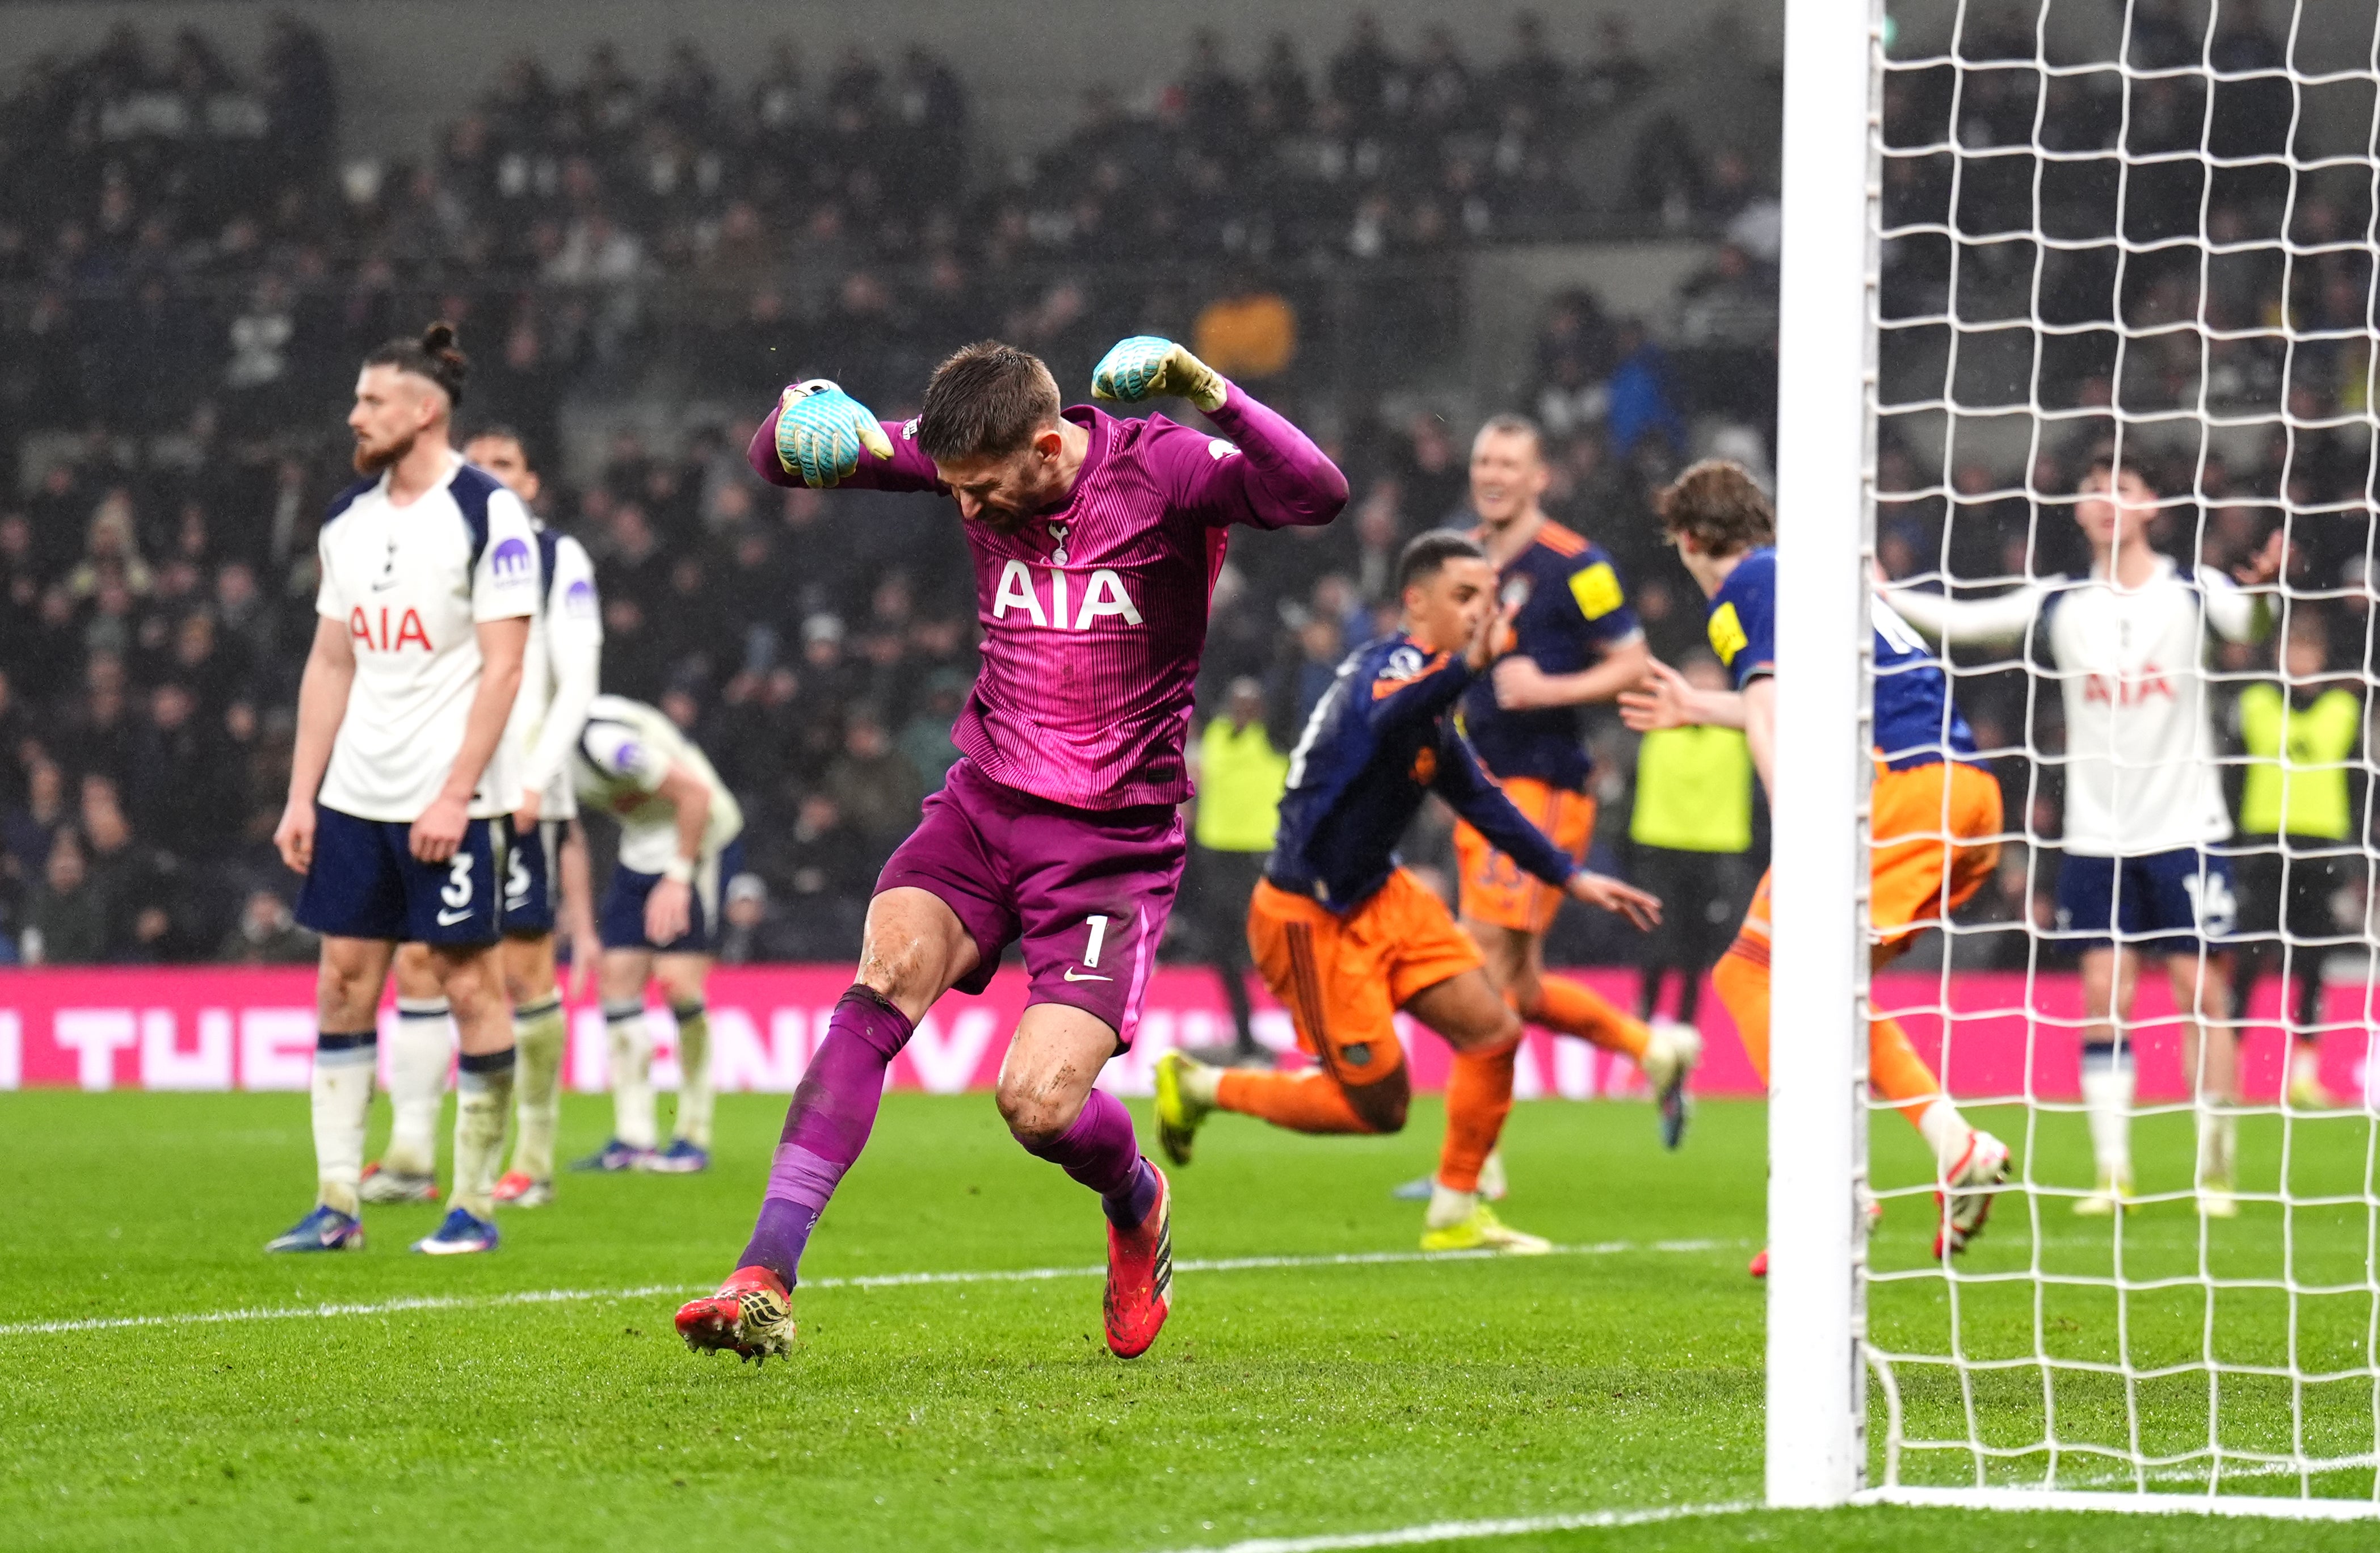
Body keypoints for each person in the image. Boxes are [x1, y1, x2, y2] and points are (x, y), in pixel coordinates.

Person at [674, 335, 1347, 1365]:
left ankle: (1135, 1199)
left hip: (1109, 845)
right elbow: (783, 457)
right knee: (882, 979)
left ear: (1046, 446)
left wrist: (1204, 387)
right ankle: (763, 1273)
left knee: (1036, 1108)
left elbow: (1317, 492)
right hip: (983, 806)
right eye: (952, 492)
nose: (968, 511)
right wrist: (797, 414)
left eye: (984, 490)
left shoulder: (1161, 469)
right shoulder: (971, 459)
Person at [1153, 534, 1662, 1252]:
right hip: (1310, 916)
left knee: (1493, 1032)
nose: (1483, 609)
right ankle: (1202, 1087)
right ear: (1415, 602)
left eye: (1488, 595)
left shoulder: (1432, 701)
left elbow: (1481, 799)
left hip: (1383, 896)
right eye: (1465, 596)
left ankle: (1455, 1212)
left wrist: (1570, 876)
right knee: (1380, 1108)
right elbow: (1388, 716)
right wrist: (1468, 666)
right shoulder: (1386, 669)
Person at [1623, 459, 2012, 1276]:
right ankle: (1952, 1146)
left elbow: (1770, 711)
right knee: (1800, 984)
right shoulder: (1809, 576)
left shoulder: (1744, 588)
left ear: (1691, 540)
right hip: (1964, 800)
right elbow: (1806, 700)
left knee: (1762, 978)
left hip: (1900, 796)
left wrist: (1794, 820)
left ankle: (1825, 1193)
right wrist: (1698, 707)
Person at [1882, 455, 2280, 1215]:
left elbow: (2249, 623)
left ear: (2150, 506)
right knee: (2103, 994)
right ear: (2076, 509)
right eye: (2093, 490)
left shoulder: (2193, 590)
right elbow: (1966, 622)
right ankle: (2111, 1173)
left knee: (2202, 993)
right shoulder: (2059, 602)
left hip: (2185, 829)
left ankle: (2215, 1170)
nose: (2105, 502)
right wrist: (1879, 594)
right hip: (2095, 837)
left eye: (2120, 490)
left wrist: (2261, 591)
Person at [264, 323, 537, 1258]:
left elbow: (503, 670)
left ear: (424, 411)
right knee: (342, 980)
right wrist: (304, 795)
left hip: (450, 799)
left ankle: (472, 1205)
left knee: (468, 982)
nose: (354, 415)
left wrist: (456, 794)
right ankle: (336, 1200)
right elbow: (331, 662)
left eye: (372, 400)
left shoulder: (487, 512)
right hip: (356, 795)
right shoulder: (348, 518)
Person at [1420, 414, 1697, 1207]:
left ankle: (1472, 1164)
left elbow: (1633, 663)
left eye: (1509, 461)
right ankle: (1654, 1049)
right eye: (1482, 460)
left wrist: (1550, 689)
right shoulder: (1458, 558)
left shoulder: (1579, 566)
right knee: (1521, 985)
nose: (1492, 473)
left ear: (1541, 477)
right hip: (1481, 788)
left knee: (1473, 967)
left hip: (1544, 792)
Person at [358, 426, 604, 1212]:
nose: (489, 477)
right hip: (436, 789)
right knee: (419, 962)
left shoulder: (557, 558)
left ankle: (531, 1154)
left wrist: (535, 778)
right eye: (478, 466)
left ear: (530, 484)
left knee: (526, 971)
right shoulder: (435, 551)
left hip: (519, 792)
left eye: (506, 464)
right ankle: (407, 1149)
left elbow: (577, 681)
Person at [569, 692, 746, 1174]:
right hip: (640, 848)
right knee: (618, 978)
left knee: (677, 984)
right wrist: (584, 931)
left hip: (702, 839)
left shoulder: (602, 741)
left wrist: (678, 876)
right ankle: (634, 1136)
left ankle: (693, 1133)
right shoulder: (541, 759)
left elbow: (695, 794)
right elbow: (571, 839)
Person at [2230, 614, 2364, 1110]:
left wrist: (2359, 856)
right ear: (2279, 655)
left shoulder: (2342, 711)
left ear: (2321, 657)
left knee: (2312, 964)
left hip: (2320, 851)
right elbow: (2233, 775)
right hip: (2265, 844)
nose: (2300, 659)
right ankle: (2233, 1071)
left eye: (2308, 650)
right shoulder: (2255, 705)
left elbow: (2357, 785)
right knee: (2248, 961)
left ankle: (2304, 1077)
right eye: (2292, 649)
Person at [1627, 650, 1755, 1031]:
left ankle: (1683, 1049)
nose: (1702, 688)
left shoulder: (1738, 732)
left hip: (1716, 854)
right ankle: (1641, 1037)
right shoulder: (1655, 724)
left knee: (1695, 959)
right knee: (1655, 952)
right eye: (1694, 679)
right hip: (1660, 849)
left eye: (1710, 680)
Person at [1183, 675, 1288, 1064]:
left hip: (1259, 862)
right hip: (1216, 860)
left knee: (1273, 953)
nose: (1244, 709)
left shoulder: (1274, 740)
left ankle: (1311, 1035)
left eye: (1252, 703)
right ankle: (1246, 1042)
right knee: (1224, 954)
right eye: (1238, 702)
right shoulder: (1215, 736)